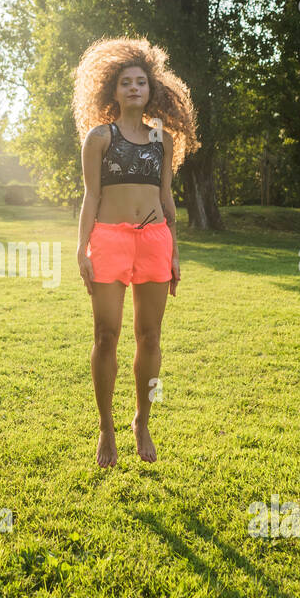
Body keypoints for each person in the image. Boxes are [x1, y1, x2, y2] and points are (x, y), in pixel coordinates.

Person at [72, 38, 198, 466]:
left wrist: (174, 252)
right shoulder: (99, 137)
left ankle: (141, 420)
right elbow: (90, 197)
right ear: (112, 89)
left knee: (150, 336)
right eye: (125, 82)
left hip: (154, 241)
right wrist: (82, 247)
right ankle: (106, 428)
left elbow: (167, 199)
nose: (133, 88)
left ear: (151, 89)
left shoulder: (161, 138)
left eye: (140, 82)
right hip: (108, 239)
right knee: (106, 336)